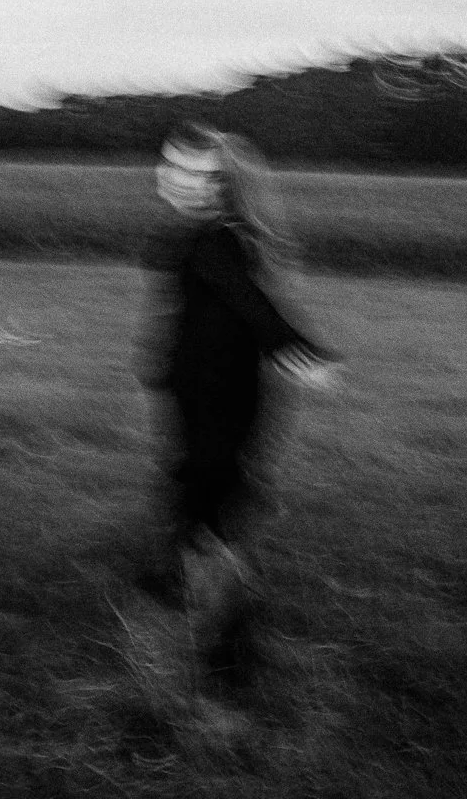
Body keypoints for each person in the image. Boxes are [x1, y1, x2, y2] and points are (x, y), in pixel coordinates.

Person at [135, 120, 343, 689]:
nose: (179, 180)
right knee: (199, 501)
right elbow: (215, 309)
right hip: (206, 395)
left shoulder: (215, 240)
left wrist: (299, 349)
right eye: (172, 165)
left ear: (225, 186)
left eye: (200, 175)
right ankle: (190, 592)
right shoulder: (208, 234)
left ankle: (229, 659)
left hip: (218, 403)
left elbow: (247, 302)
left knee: (207, 520)